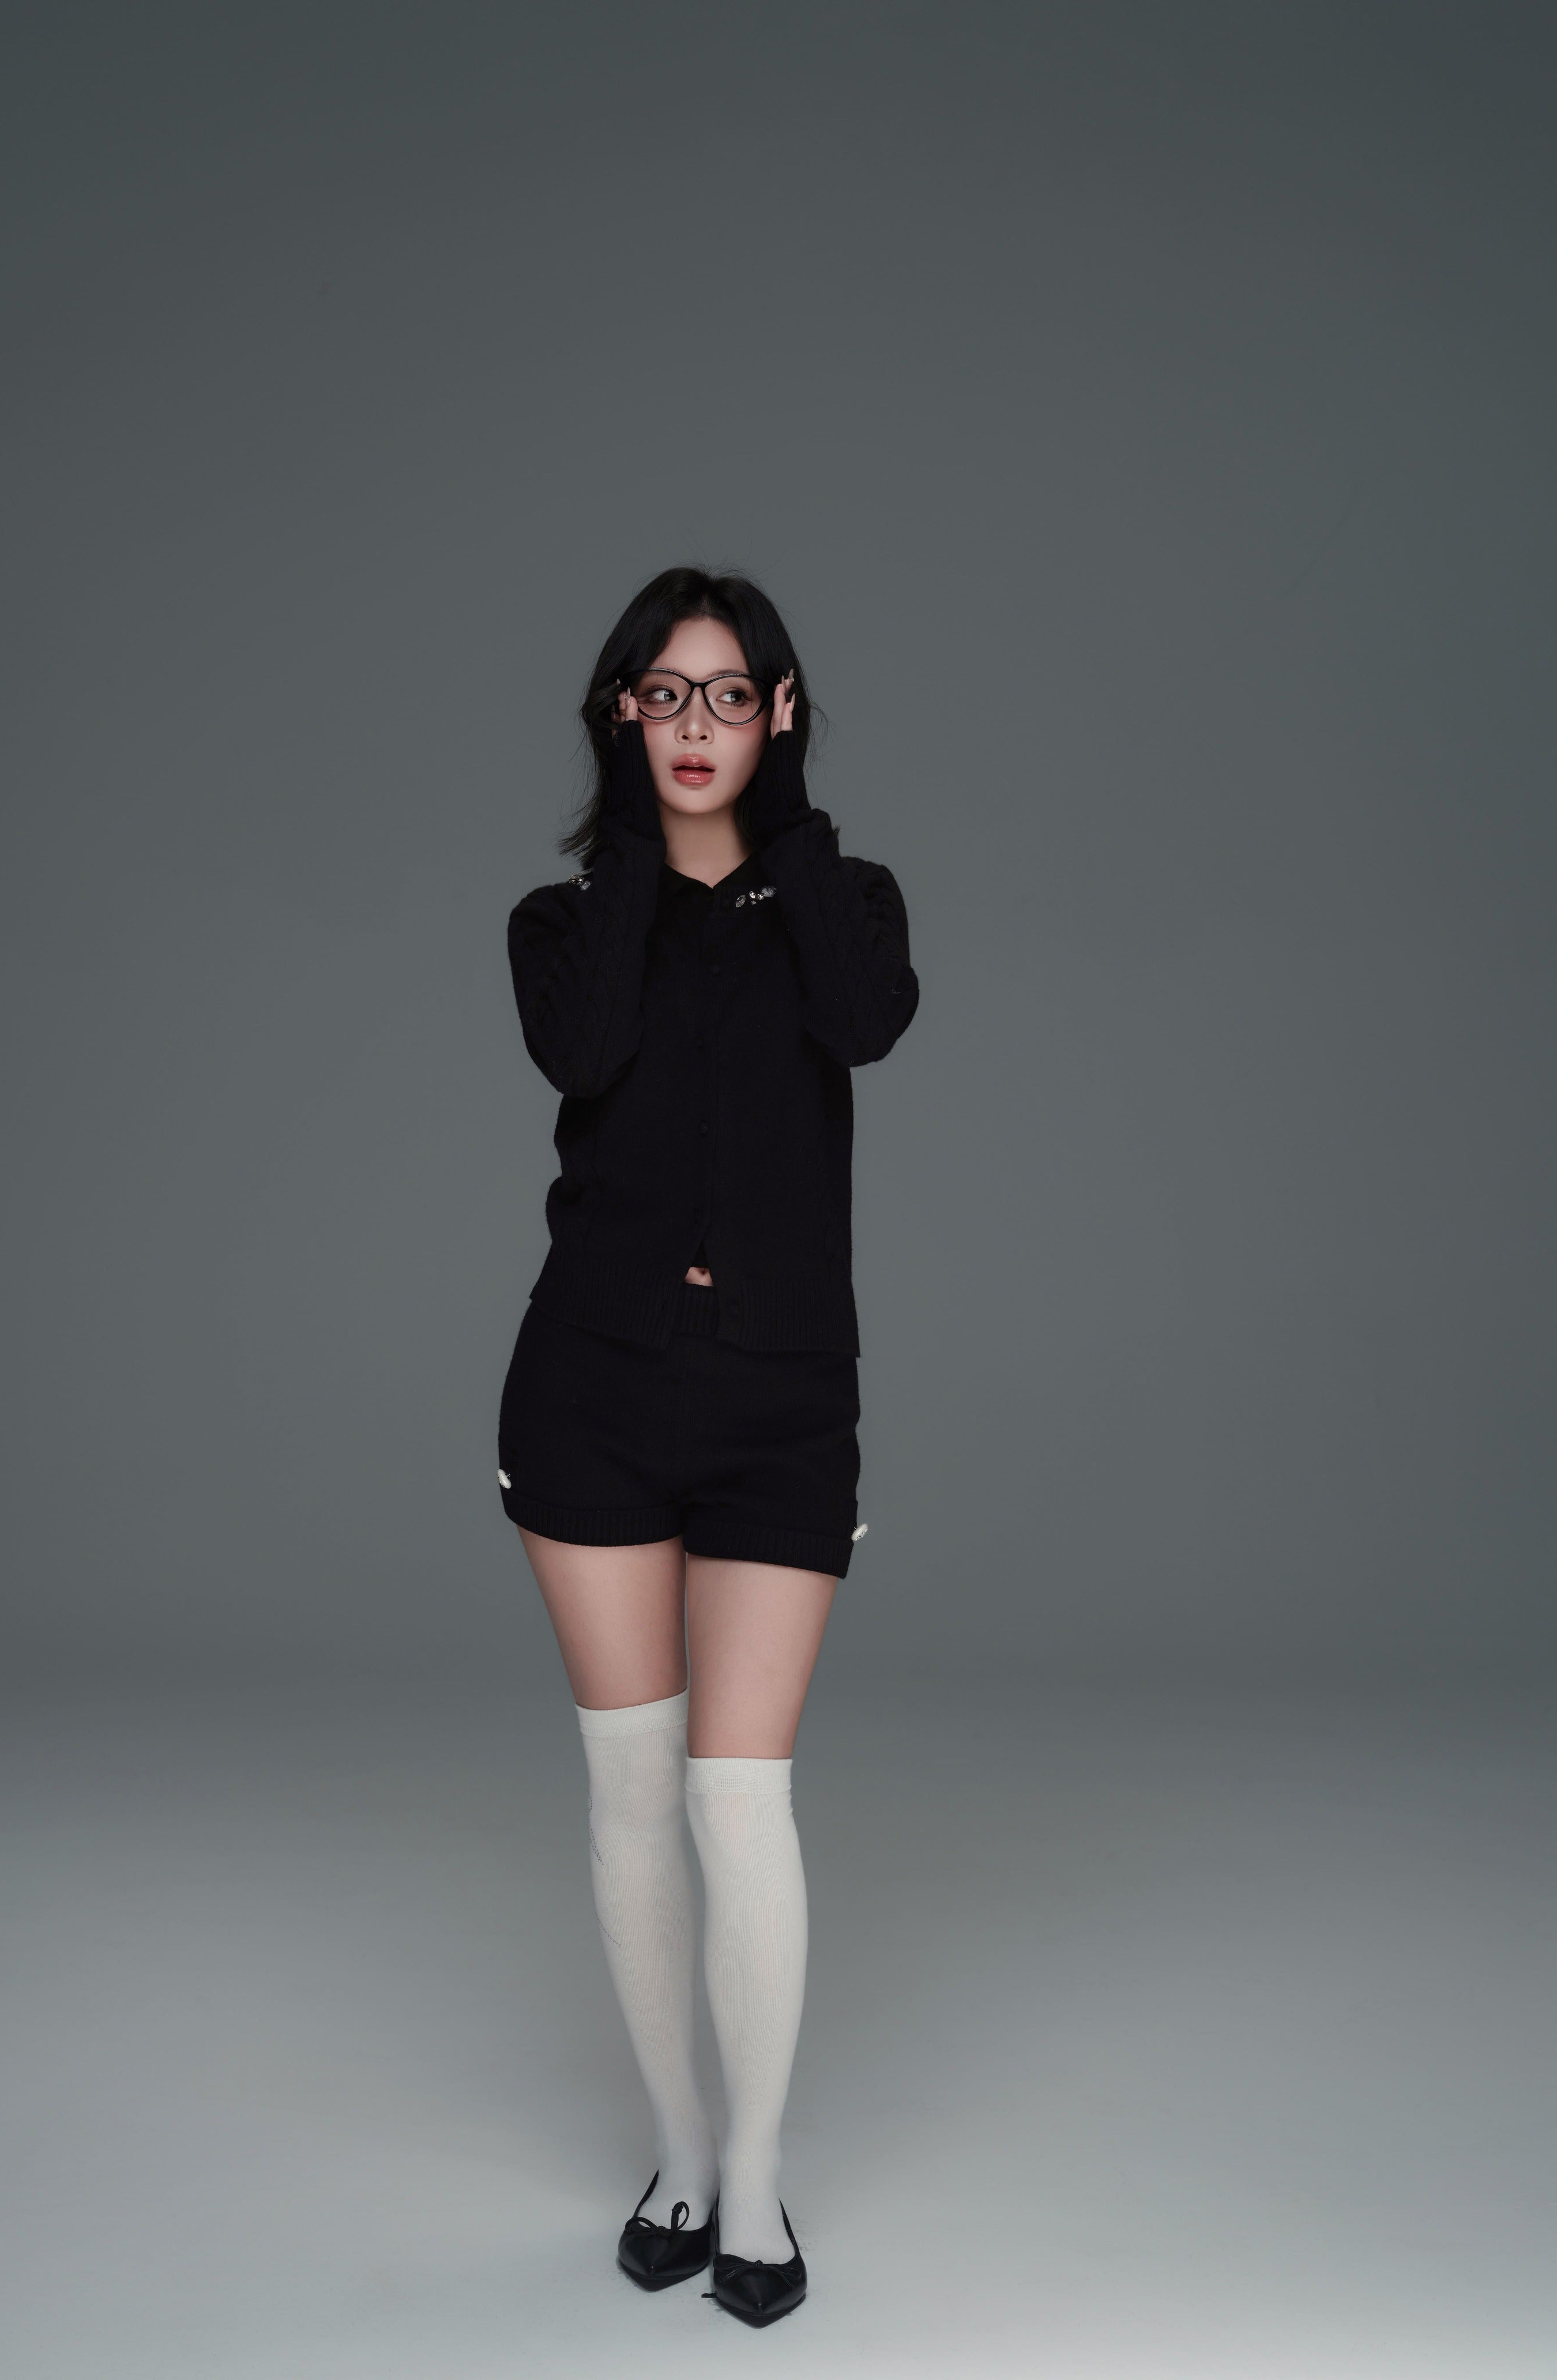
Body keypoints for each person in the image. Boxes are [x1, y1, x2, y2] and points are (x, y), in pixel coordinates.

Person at [498, 566, 918, 2326]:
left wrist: (785, 829)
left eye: (730, 695)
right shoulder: (563, 920)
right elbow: (586, 1050)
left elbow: (870, 1023)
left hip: (780, 1401)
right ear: (622, 713)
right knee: (630, 1791)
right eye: (662, 695)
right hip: (591, 1392)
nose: (695, 727)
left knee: (741, 1799)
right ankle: (679, 2151)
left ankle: (755, 2177)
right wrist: (634, 858)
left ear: (779, 714)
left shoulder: (840, 899)